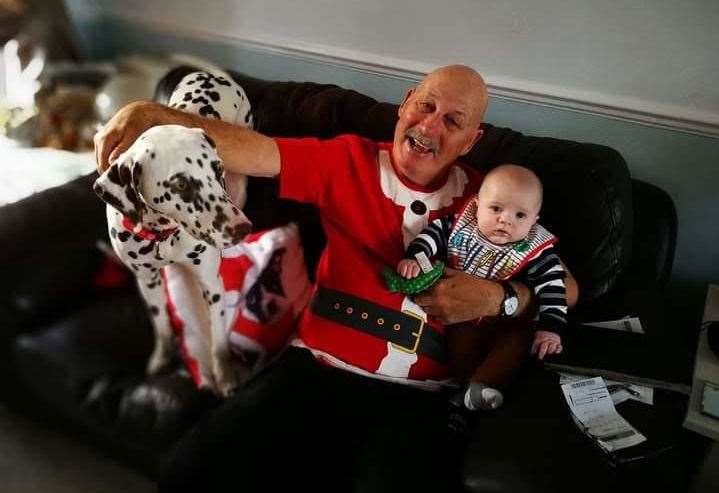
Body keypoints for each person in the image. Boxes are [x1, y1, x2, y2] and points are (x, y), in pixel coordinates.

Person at [95, 64, 578, 492]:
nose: (431, 125)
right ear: (405, 104)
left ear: (472, 140)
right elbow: (254, 151)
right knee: (191, 472)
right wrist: (155, 114)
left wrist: (499, 299)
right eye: (426, 105)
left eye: (453, 120)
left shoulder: (491, 200)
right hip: (313, 368)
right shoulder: (347, 160)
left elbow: (569, 288)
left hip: (418, 397)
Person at [397, 163, 567, 412]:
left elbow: (554, 288)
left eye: (520, 215)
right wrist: (416, 256)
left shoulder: (537, 250)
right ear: (477, 205)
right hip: (464, 316)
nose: (505, 220)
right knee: (459, 340)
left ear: (535, 220)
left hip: (509, 322)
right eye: (496, 208)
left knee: (518, 342)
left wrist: (550, 329)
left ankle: (483, 385)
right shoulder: (460, 228)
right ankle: (464, 387)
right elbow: (432, 235)